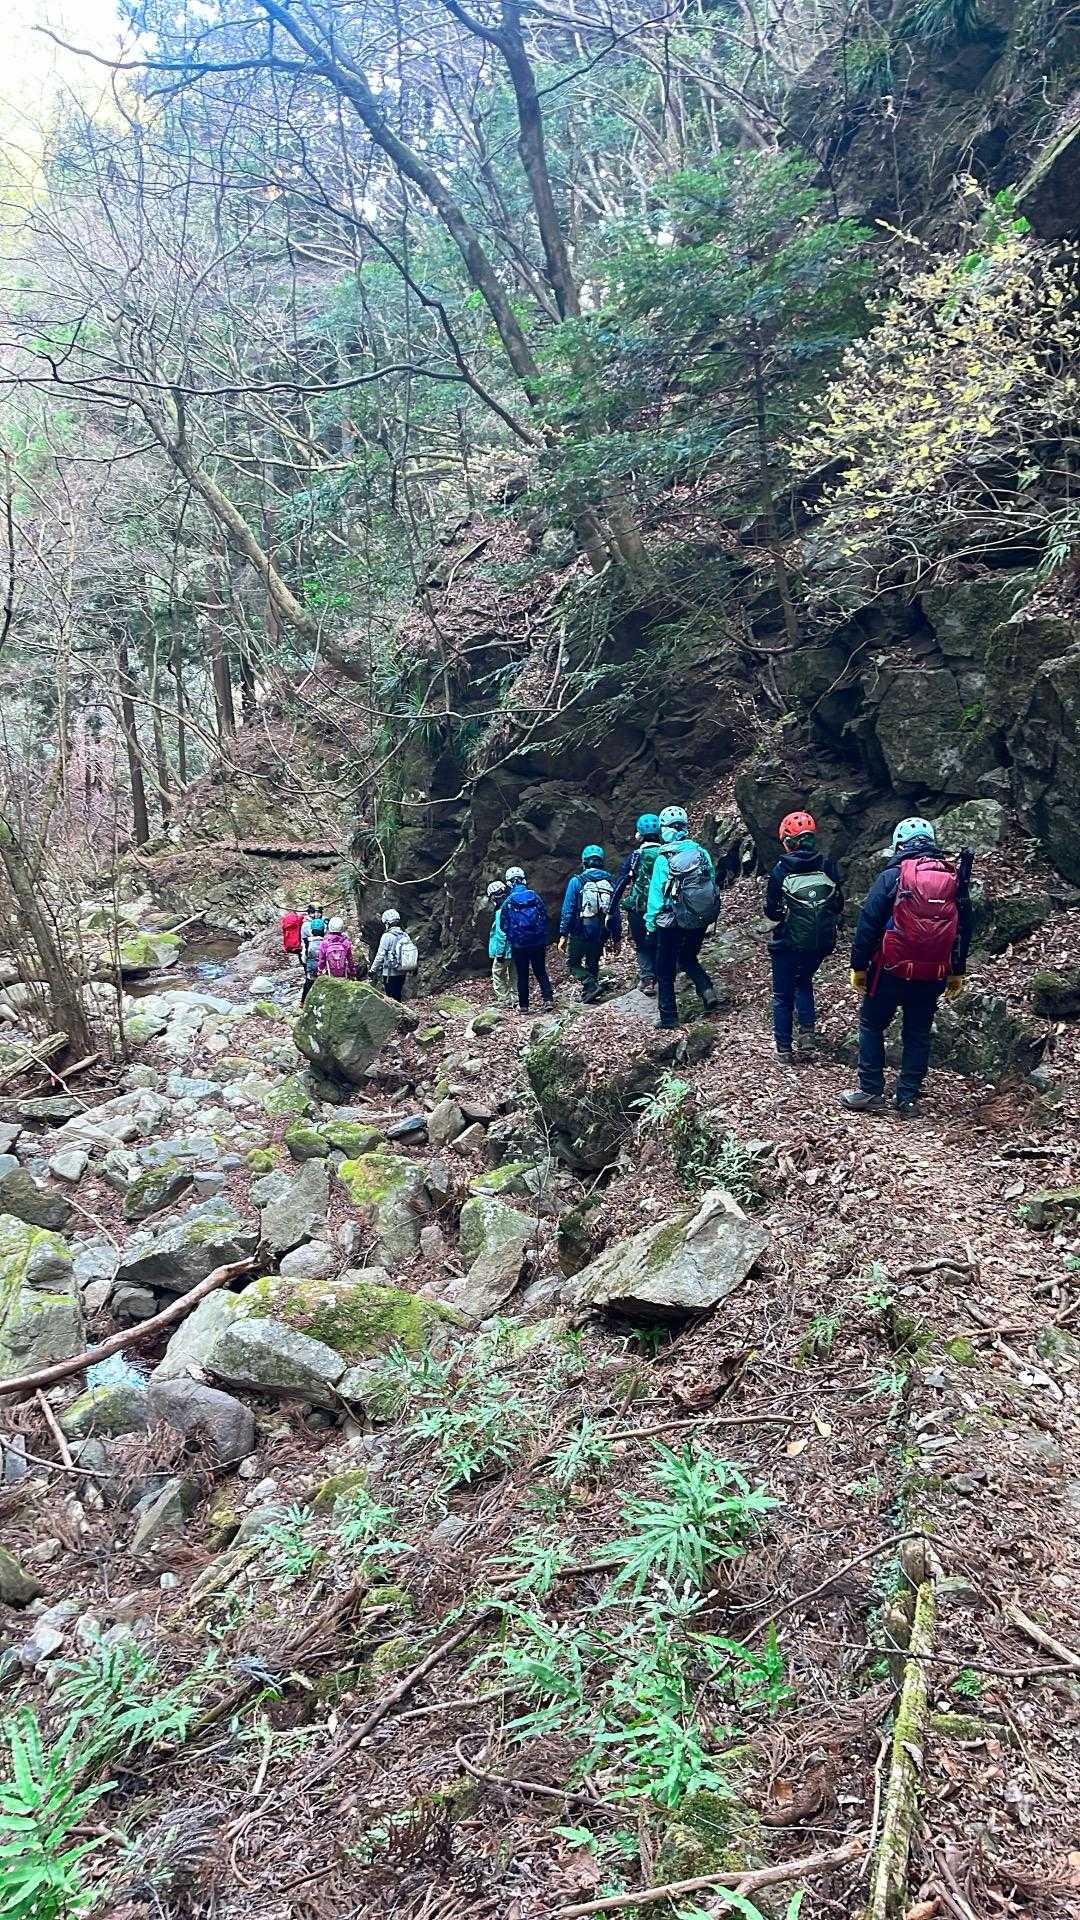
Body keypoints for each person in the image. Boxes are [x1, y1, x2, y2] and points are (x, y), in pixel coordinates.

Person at [841, 816, 972, 1117]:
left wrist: (858, 966)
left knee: (871, 1024)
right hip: (933, 973)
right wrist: (957, 970)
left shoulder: (892, 876)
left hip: (889, 970)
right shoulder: (952, 878)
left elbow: (868, 924)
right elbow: (964, 928)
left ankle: (871, 1090)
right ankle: (908, 1098)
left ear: (898, 845)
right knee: (917, 1033)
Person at [764, 811, 844, 1064]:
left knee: (782, 995)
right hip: (820, 941)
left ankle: (784, 1049)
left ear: (788, 842)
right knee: (804, 980)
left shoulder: (780, 870)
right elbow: (838, 904)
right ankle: (807, 1034)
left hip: (788, 941)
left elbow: (772, 911)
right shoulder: (826, 865)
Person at [646, 805, 722, 1031]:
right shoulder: (700, 852)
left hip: (671, 921)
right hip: (699, 917)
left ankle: (669, 1017)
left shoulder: (663, 858)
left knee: (665, 969)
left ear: (665, 830)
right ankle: (707, 989)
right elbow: (711, 881)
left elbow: (656, 896)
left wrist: (650, 924)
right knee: (688, 956)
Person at [559, 844, 622, 1003]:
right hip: (602, 930)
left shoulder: (577, 881)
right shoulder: (610, 882)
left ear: (584, 862)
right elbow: (615, 912)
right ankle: (590, 992)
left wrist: (563, 934)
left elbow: (568, 909)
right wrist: (616, 937)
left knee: (573, 963)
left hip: (580, 929)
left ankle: (590, 985)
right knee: (593, 961)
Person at [612, 814, 662, 993]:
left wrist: (611, 909)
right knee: (661, 941)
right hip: (663, 907)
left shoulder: (635, 856)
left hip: (638, 908)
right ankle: (664, 974)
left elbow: (622, 882)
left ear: (639, 835)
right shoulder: (667, 853)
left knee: (641, 944)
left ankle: (648, 979)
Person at [501, 865, 554, 1015]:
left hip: (519, 944)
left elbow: (503, 924)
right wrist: (541, 933)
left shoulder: (508, 901)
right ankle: (548, 1000)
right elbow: (544, 916)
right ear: (523, 880)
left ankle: (524, 1006)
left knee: (522, 974)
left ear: (509, 883)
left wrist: (512, 936)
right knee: (540, 971)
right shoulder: (534, 896)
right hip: (537, 941)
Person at [370, 908, 415, 1002]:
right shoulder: (405, 935)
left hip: (389, 973)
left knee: (391, 998)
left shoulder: (387, 936)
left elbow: (380, 955)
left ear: (387, 923)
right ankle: (400, 1009)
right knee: (398, 994)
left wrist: (372, 970)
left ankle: (395, 1011)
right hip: (402, 970)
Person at [486, 880, 513, 1007]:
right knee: (515, 974)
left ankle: (504, 999)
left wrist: (499, 953)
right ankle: (517, 997)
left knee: (497, 973)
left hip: (505, 950)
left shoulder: (500, 912)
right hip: (517, 948)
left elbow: (501, 935)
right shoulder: (514, 907)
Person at [317, 915, 357, 981]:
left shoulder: (325, 943)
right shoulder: (346, 942)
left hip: (329, 973)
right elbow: (350, 959)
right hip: (343, 974)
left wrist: (320, 970)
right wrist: (353, 972)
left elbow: (322, 960)